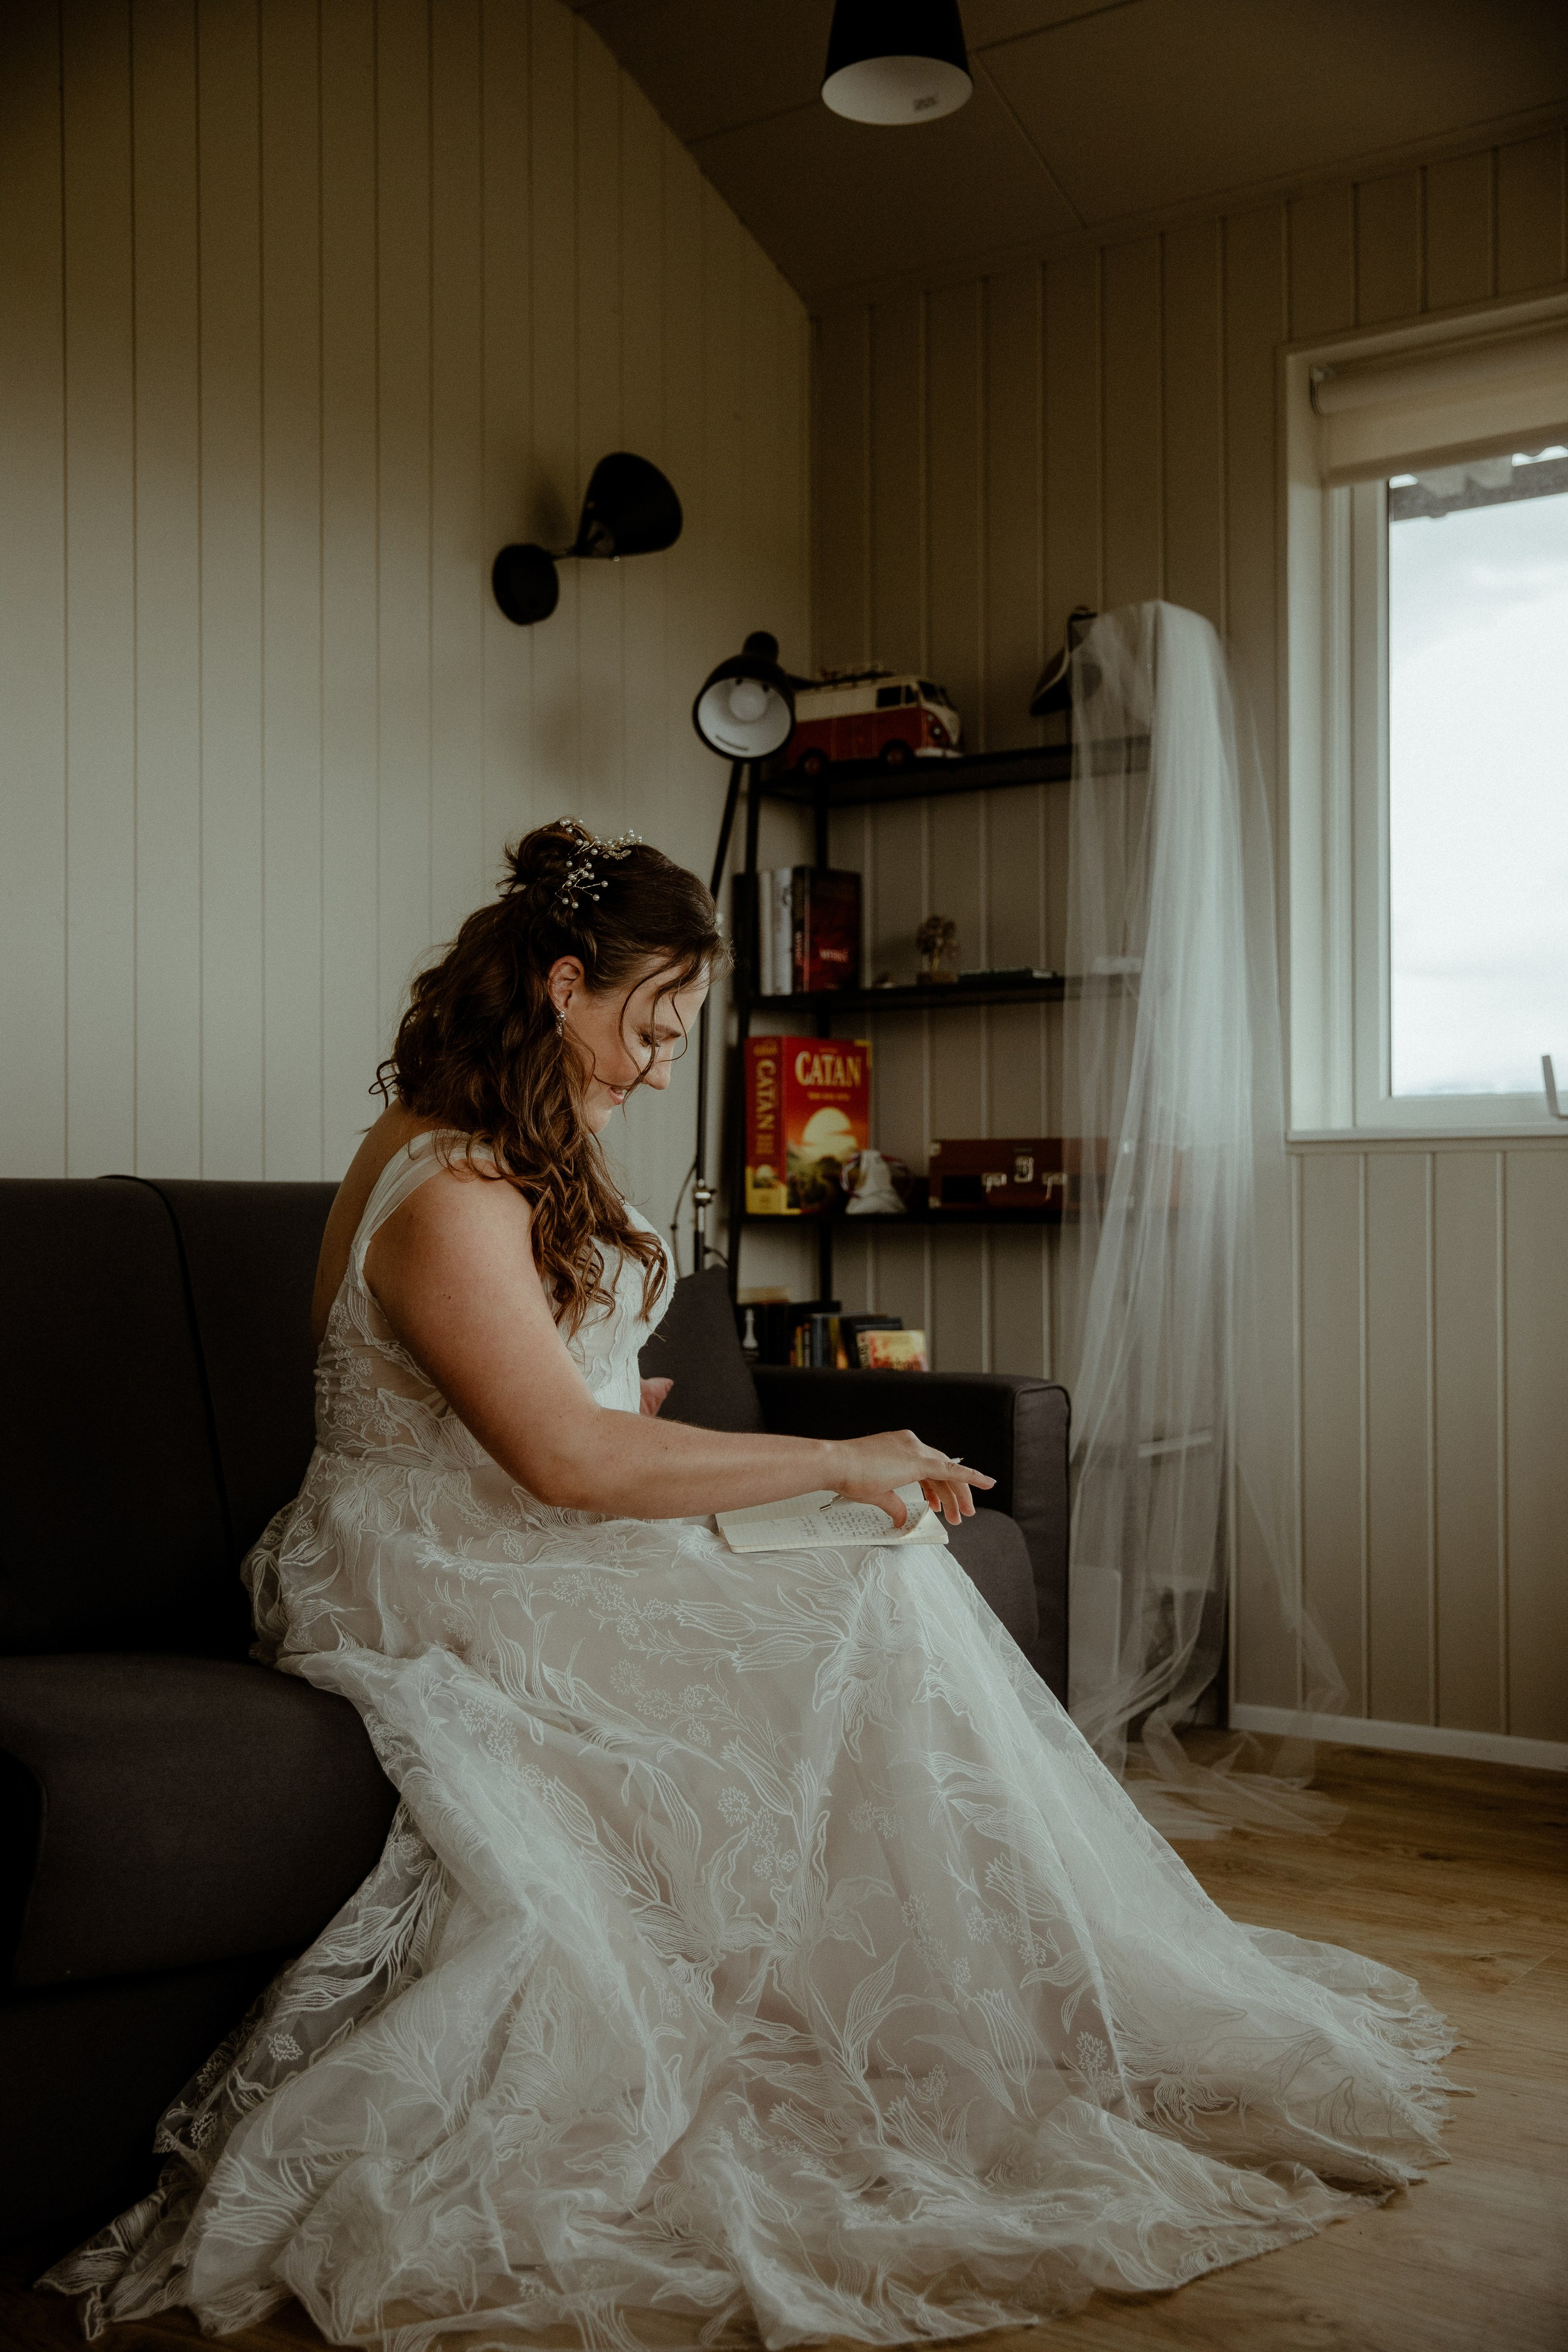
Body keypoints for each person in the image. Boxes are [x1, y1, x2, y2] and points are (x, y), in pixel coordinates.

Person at [45, 821, 1455, 2349]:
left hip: (509, 1512)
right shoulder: (447, 1184)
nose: (663, 1070)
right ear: (563, 987)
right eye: (652, 1028)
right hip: (430, 1562)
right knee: (861, 1584)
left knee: (879, 1568)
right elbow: (559, 1462)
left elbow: (546, 1397)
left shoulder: (518, 1141)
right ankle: (922, 2018)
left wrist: (670, 1422)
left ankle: (974, 2004)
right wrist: (831, 1455)